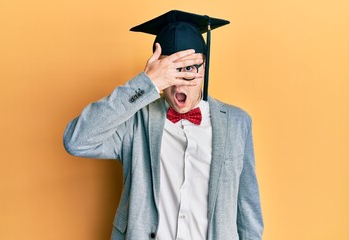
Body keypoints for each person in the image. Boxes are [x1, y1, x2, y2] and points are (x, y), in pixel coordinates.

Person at [63, 10, 263, 240]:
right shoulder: (135, 121)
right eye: (170, 72)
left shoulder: (237, 123)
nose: (179, 85)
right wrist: (146, 83)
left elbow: (247, 209)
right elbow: (76, 141)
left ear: (204, 68)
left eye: (188, 69)